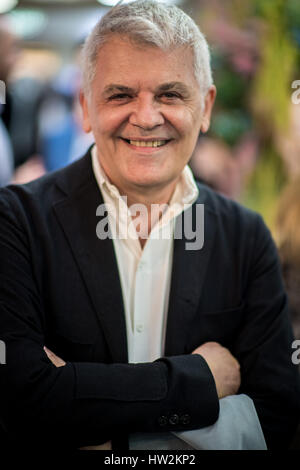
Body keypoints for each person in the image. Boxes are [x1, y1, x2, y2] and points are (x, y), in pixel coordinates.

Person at [0, 0, 299, 451]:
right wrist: (200, 382)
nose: (146, 117)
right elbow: (17, 403)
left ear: (206, 107)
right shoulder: (16, 221)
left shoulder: (245, 235)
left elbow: (276, 416)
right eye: (120, 95)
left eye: (171, 94)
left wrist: (86, 413)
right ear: (85, 107)